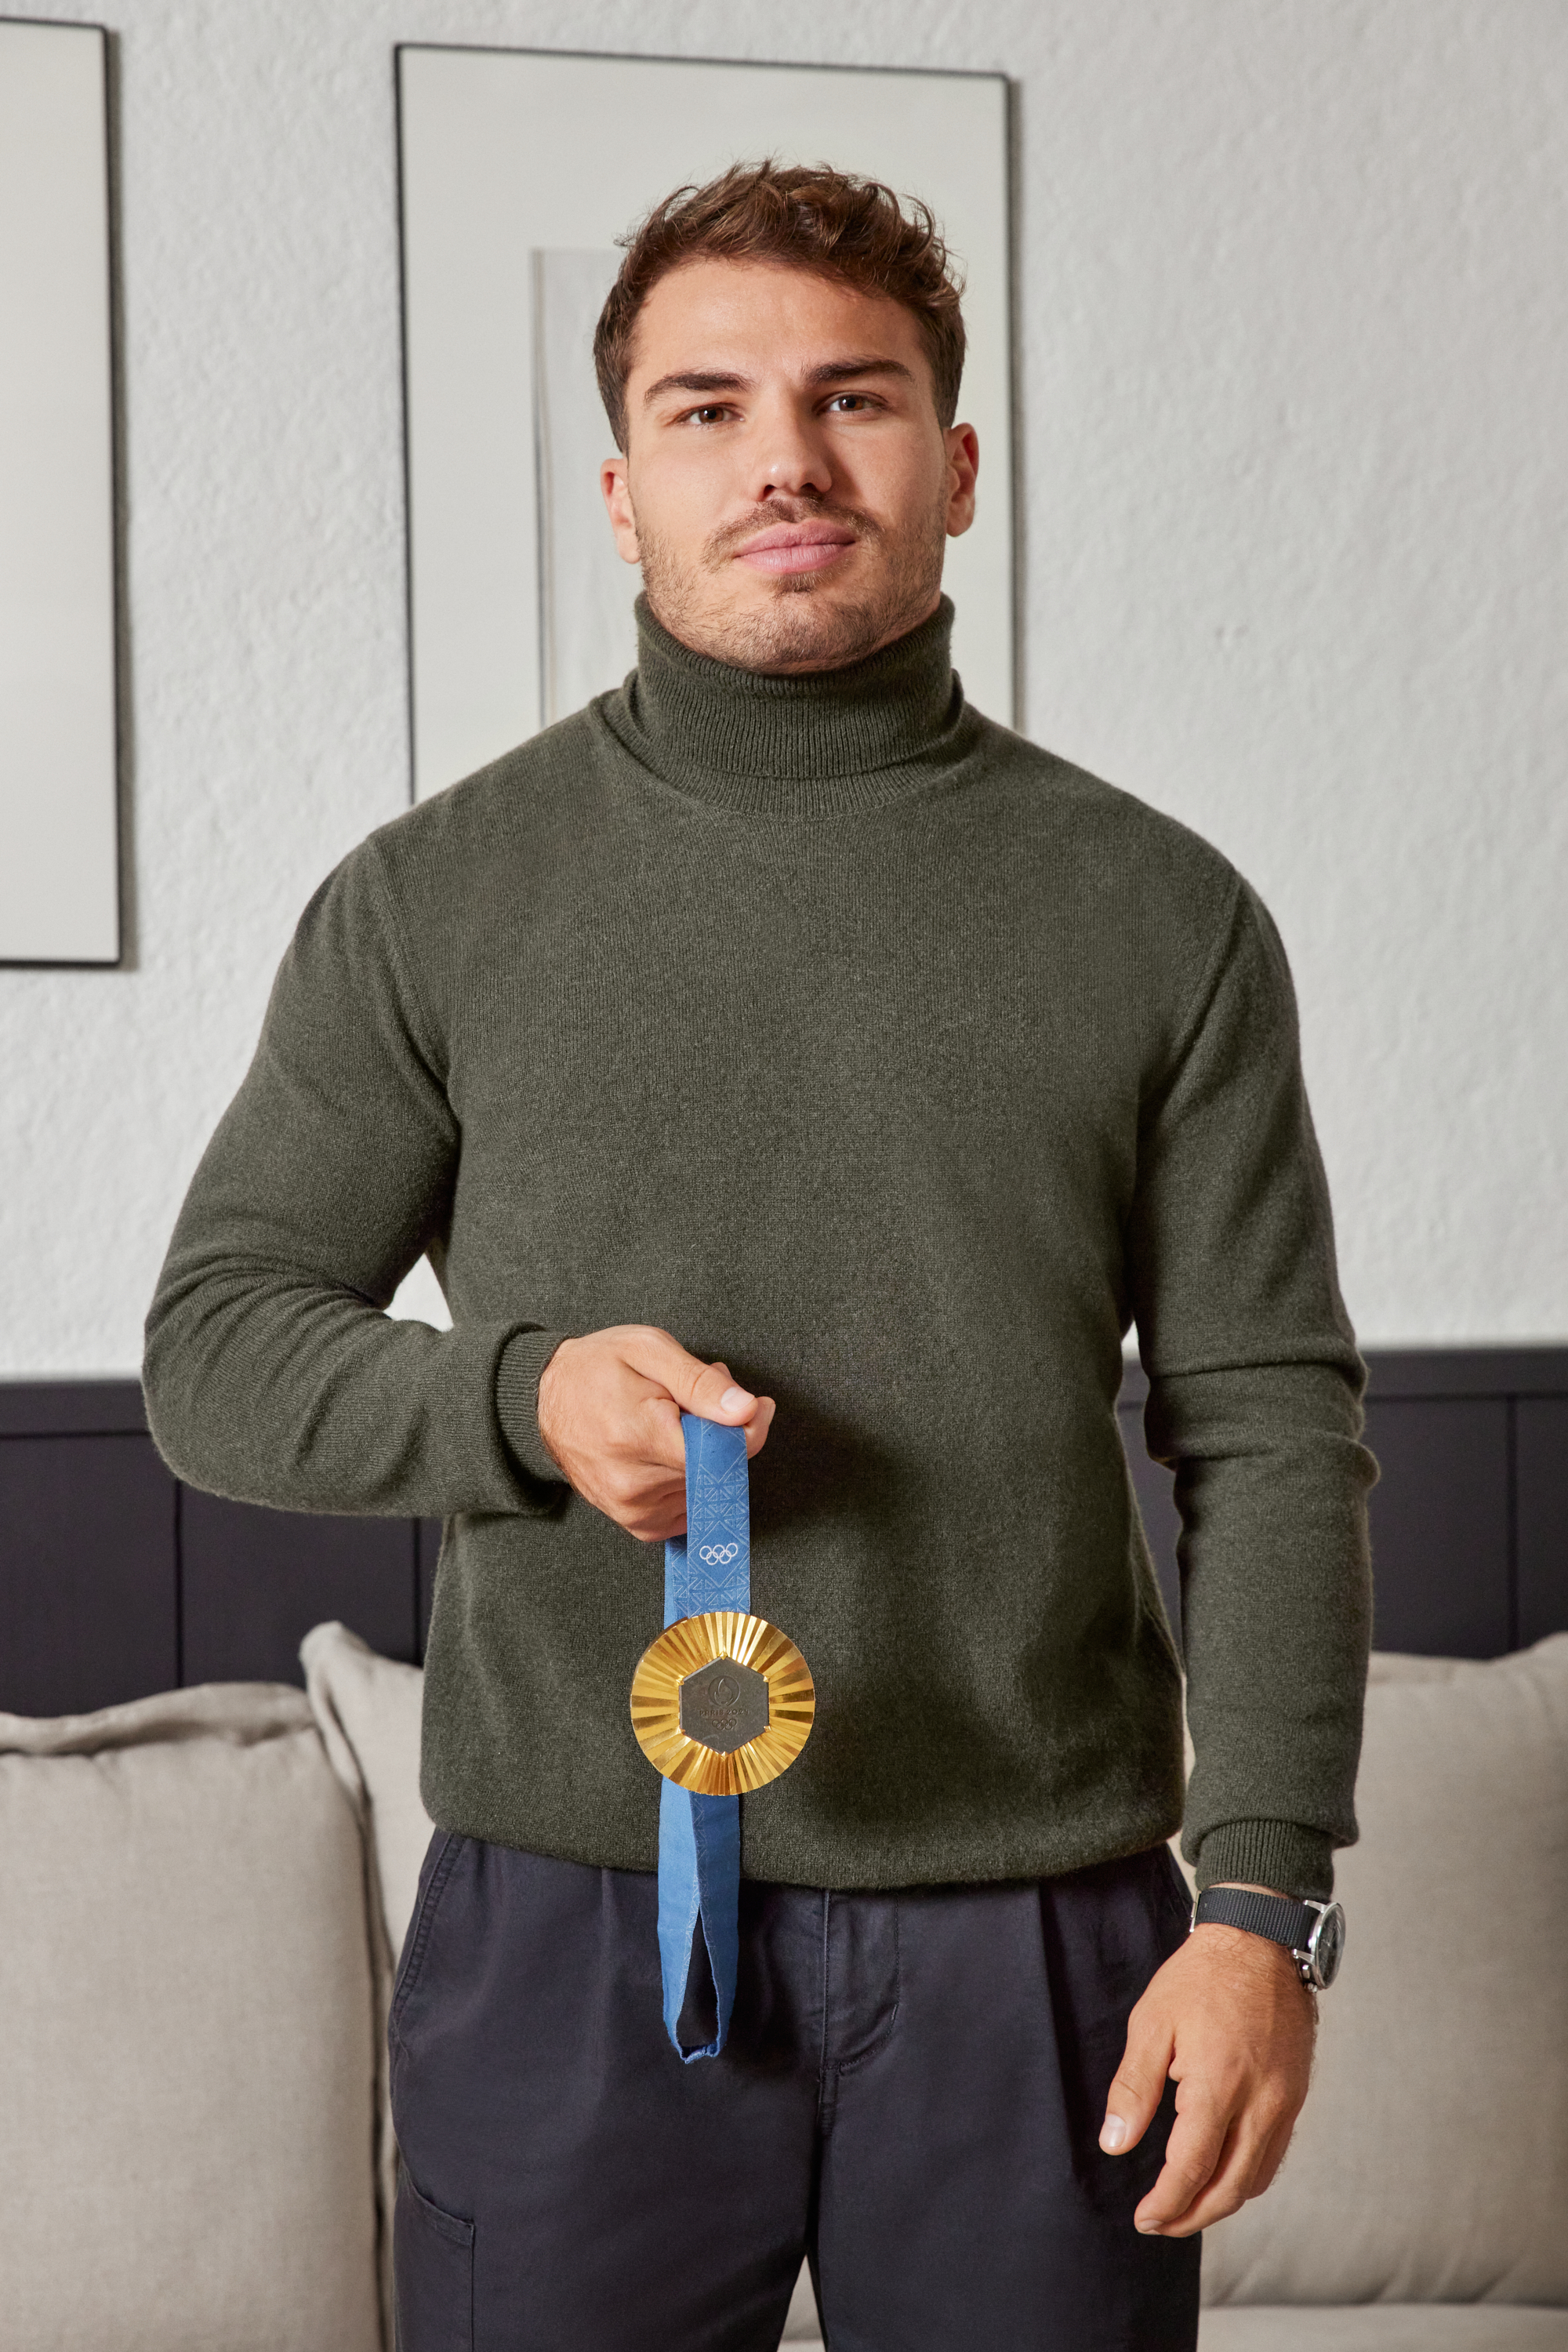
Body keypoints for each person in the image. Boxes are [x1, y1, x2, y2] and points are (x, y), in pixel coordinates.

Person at [143, 162, 1374, 2352]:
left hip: (1045, 1947)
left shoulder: (1164, 916)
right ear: (625, 492)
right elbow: (216, 1352)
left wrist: (1264, 1905)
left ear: (956, 467)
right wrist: (521, 1399)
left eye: (853, 399)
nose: (785, 459)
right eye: (707, 409)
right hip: (565, 1932)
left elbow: (1271, 1428)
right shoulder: (430, 902)